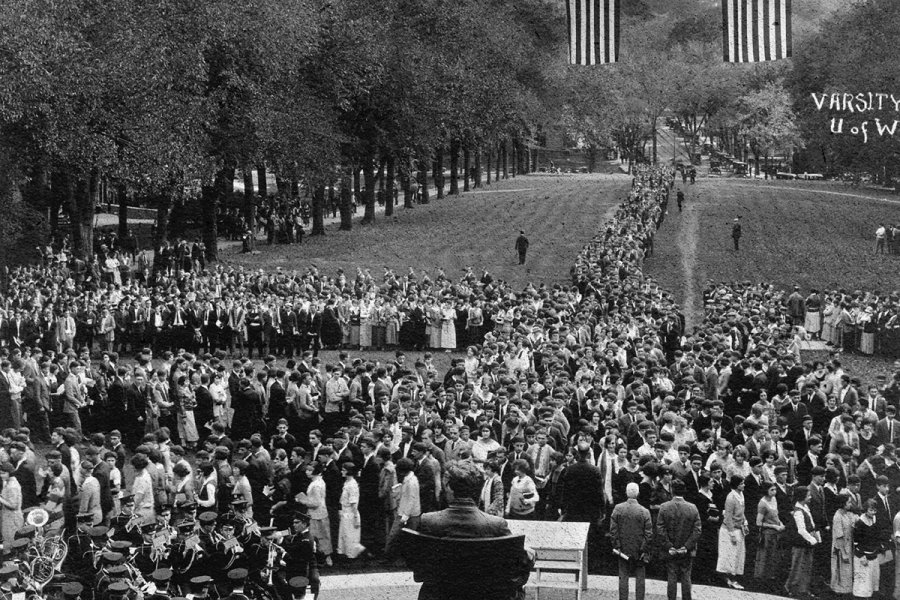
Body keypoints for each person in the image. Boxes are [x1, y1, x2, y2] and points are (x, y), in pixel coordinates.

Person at [414, 460, 534, 600]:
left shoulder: (428, 521)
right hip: (484, 594)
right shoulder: (496, 525)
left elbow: (419, 568)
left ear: (450, 489)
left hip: (439, 594)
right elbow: (515, 570)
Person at [655, 479, 701, 600]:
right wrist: (686, 547)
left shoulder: (664, 507)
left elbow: (660, 529)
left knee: (672, 576)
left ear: (671, 490)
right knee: (686, 576)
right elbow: (697, 531)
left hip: (670, 550)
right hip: (686, 550)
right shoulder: (693, 508)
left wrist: (669, 546)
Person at [610, 482, 652, 600]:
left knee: (623, 576)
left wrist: (617, 546)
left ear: (626, 493)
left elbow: (613, 530)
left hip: (623, 549)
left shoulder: (618, 509)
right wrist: (643, 548)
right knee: (640, 577)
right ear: (638, 494)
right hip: (639, 550)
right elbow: (648, 533)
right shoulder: (645, 511)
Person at [785, 485, 821, 598]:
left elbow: (812, 524)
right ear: (801, 497)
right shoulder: (798, 511)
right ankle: (791, 588)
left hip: (807, 543)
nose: (810, 497)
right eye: (808, 495)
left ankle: (802, 589)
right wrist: (812, 540)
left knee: (806, 566)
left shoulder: (805, 507)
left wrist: (816, 537)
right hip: (800, 542)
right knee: (798, 565)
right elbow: (801, 530)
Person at [717, 475, 748, 589]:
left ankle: (734, 578)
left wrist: (745, 522)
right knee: (729, 556)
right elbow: (728, 517)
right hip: (729, 530)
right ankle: (728, 579)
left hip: (739, 529)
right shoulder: (730, 498)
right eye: (741, 483)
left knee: (738, 556)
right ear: (736, 485)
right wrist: (731, 534)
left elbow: (742, 512)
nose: (743, 485)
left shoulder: (741, 495)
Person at [830, 491, 857, 595]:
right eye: (849, 502)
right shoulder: (838, 516)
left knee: (847, 571)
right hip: (840, 548)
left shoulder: (847, 514)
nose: (850, 504)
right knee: (841, 570)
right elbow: (839, 537)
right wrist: (844, 553)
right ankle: (839, 591)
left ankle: (847, 590)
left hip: (848, 546)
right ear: (843, 503)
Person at [0, 462, 23, 548]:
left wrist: (1, 499)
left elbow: (14, 505)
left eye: (3, 473)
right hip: (8, 516)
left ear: (10, 473)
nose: (1, 475)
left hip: (13, 518)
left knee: (11, 540)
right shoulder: (8, 481)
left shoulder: (12, 486)